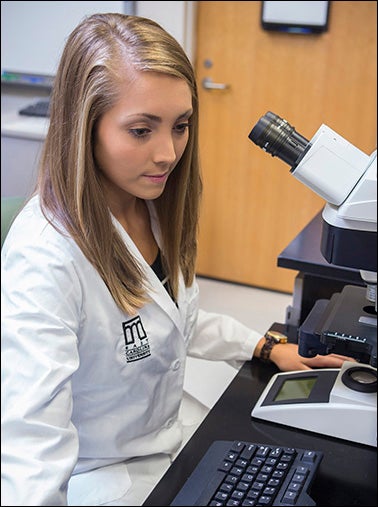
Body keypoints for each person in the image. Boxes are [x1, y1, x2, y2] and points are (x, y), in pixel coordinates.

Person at [1, 13, 355, 506]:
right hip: (102, 474)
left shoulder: (151, 203)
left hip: (166, 438)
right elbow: (29, 437)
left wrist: (266, 346)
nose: (168, 153)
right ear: (84, 127)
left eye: (181, 126)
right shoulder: (46, 256)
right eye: (142, 130)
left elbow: (172, 319)